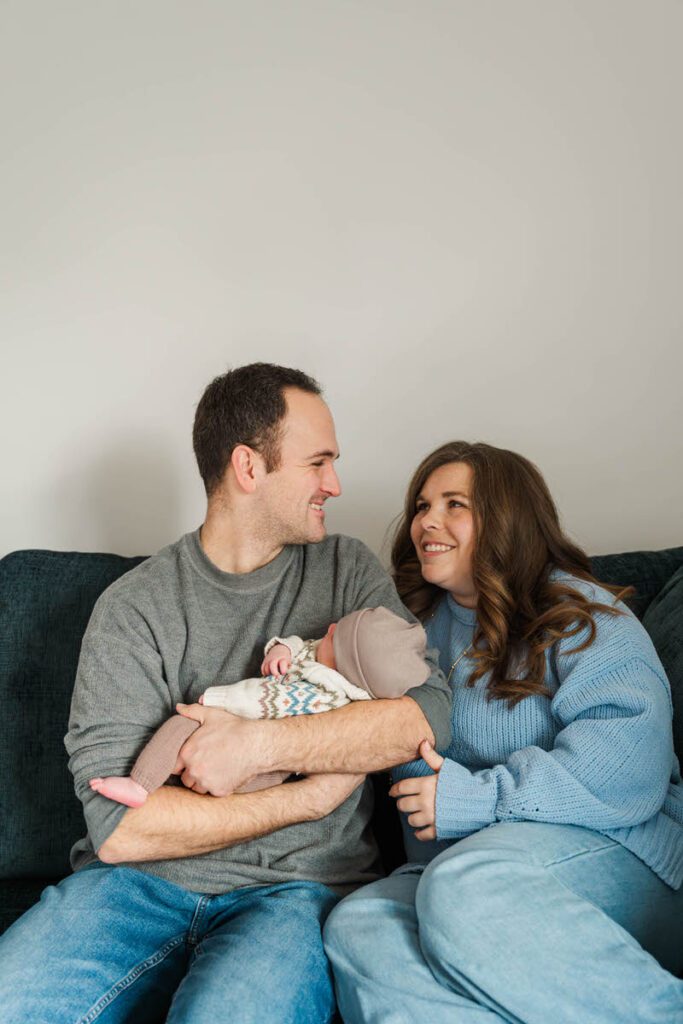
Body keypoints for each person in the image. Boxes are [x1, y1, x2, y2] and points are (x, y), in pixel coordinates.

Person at [0, 364, 452, 1024]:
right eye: (317, 462)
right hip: (131, 889)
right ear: (248, 466)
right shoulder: (134, 609)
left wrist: (260, 745)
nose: (335, 484)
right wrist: (308, 795)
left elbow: (428, 713)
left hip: (295, 895)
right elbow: (122, 832)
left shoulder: (345, 570)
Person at [324, 440, 683, 1023]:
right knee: (361, 924)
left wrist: (476, 800)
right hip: (457, 868)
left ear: (506, 519)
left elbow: (628, 769)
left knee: (464, 885)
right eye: (421, 506)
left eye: (453, 504)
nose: (426, 522)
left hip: (628, 853)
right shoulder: (406, 632)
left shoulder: (582, 618)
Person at [89, 607, 430, 807]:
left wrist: (217, 700)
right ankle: (158, 781)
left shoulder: (324, 695)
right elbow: (300, 646)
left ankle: (143, 783)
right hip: (243, 736)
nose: (327, 629)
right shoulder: (320, 658)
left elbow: (263, 700)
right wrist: (281, 650)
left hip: (255, 739)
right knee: (191, 747)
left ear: (344, 669)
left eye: (333, 637)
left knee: (181, 724)